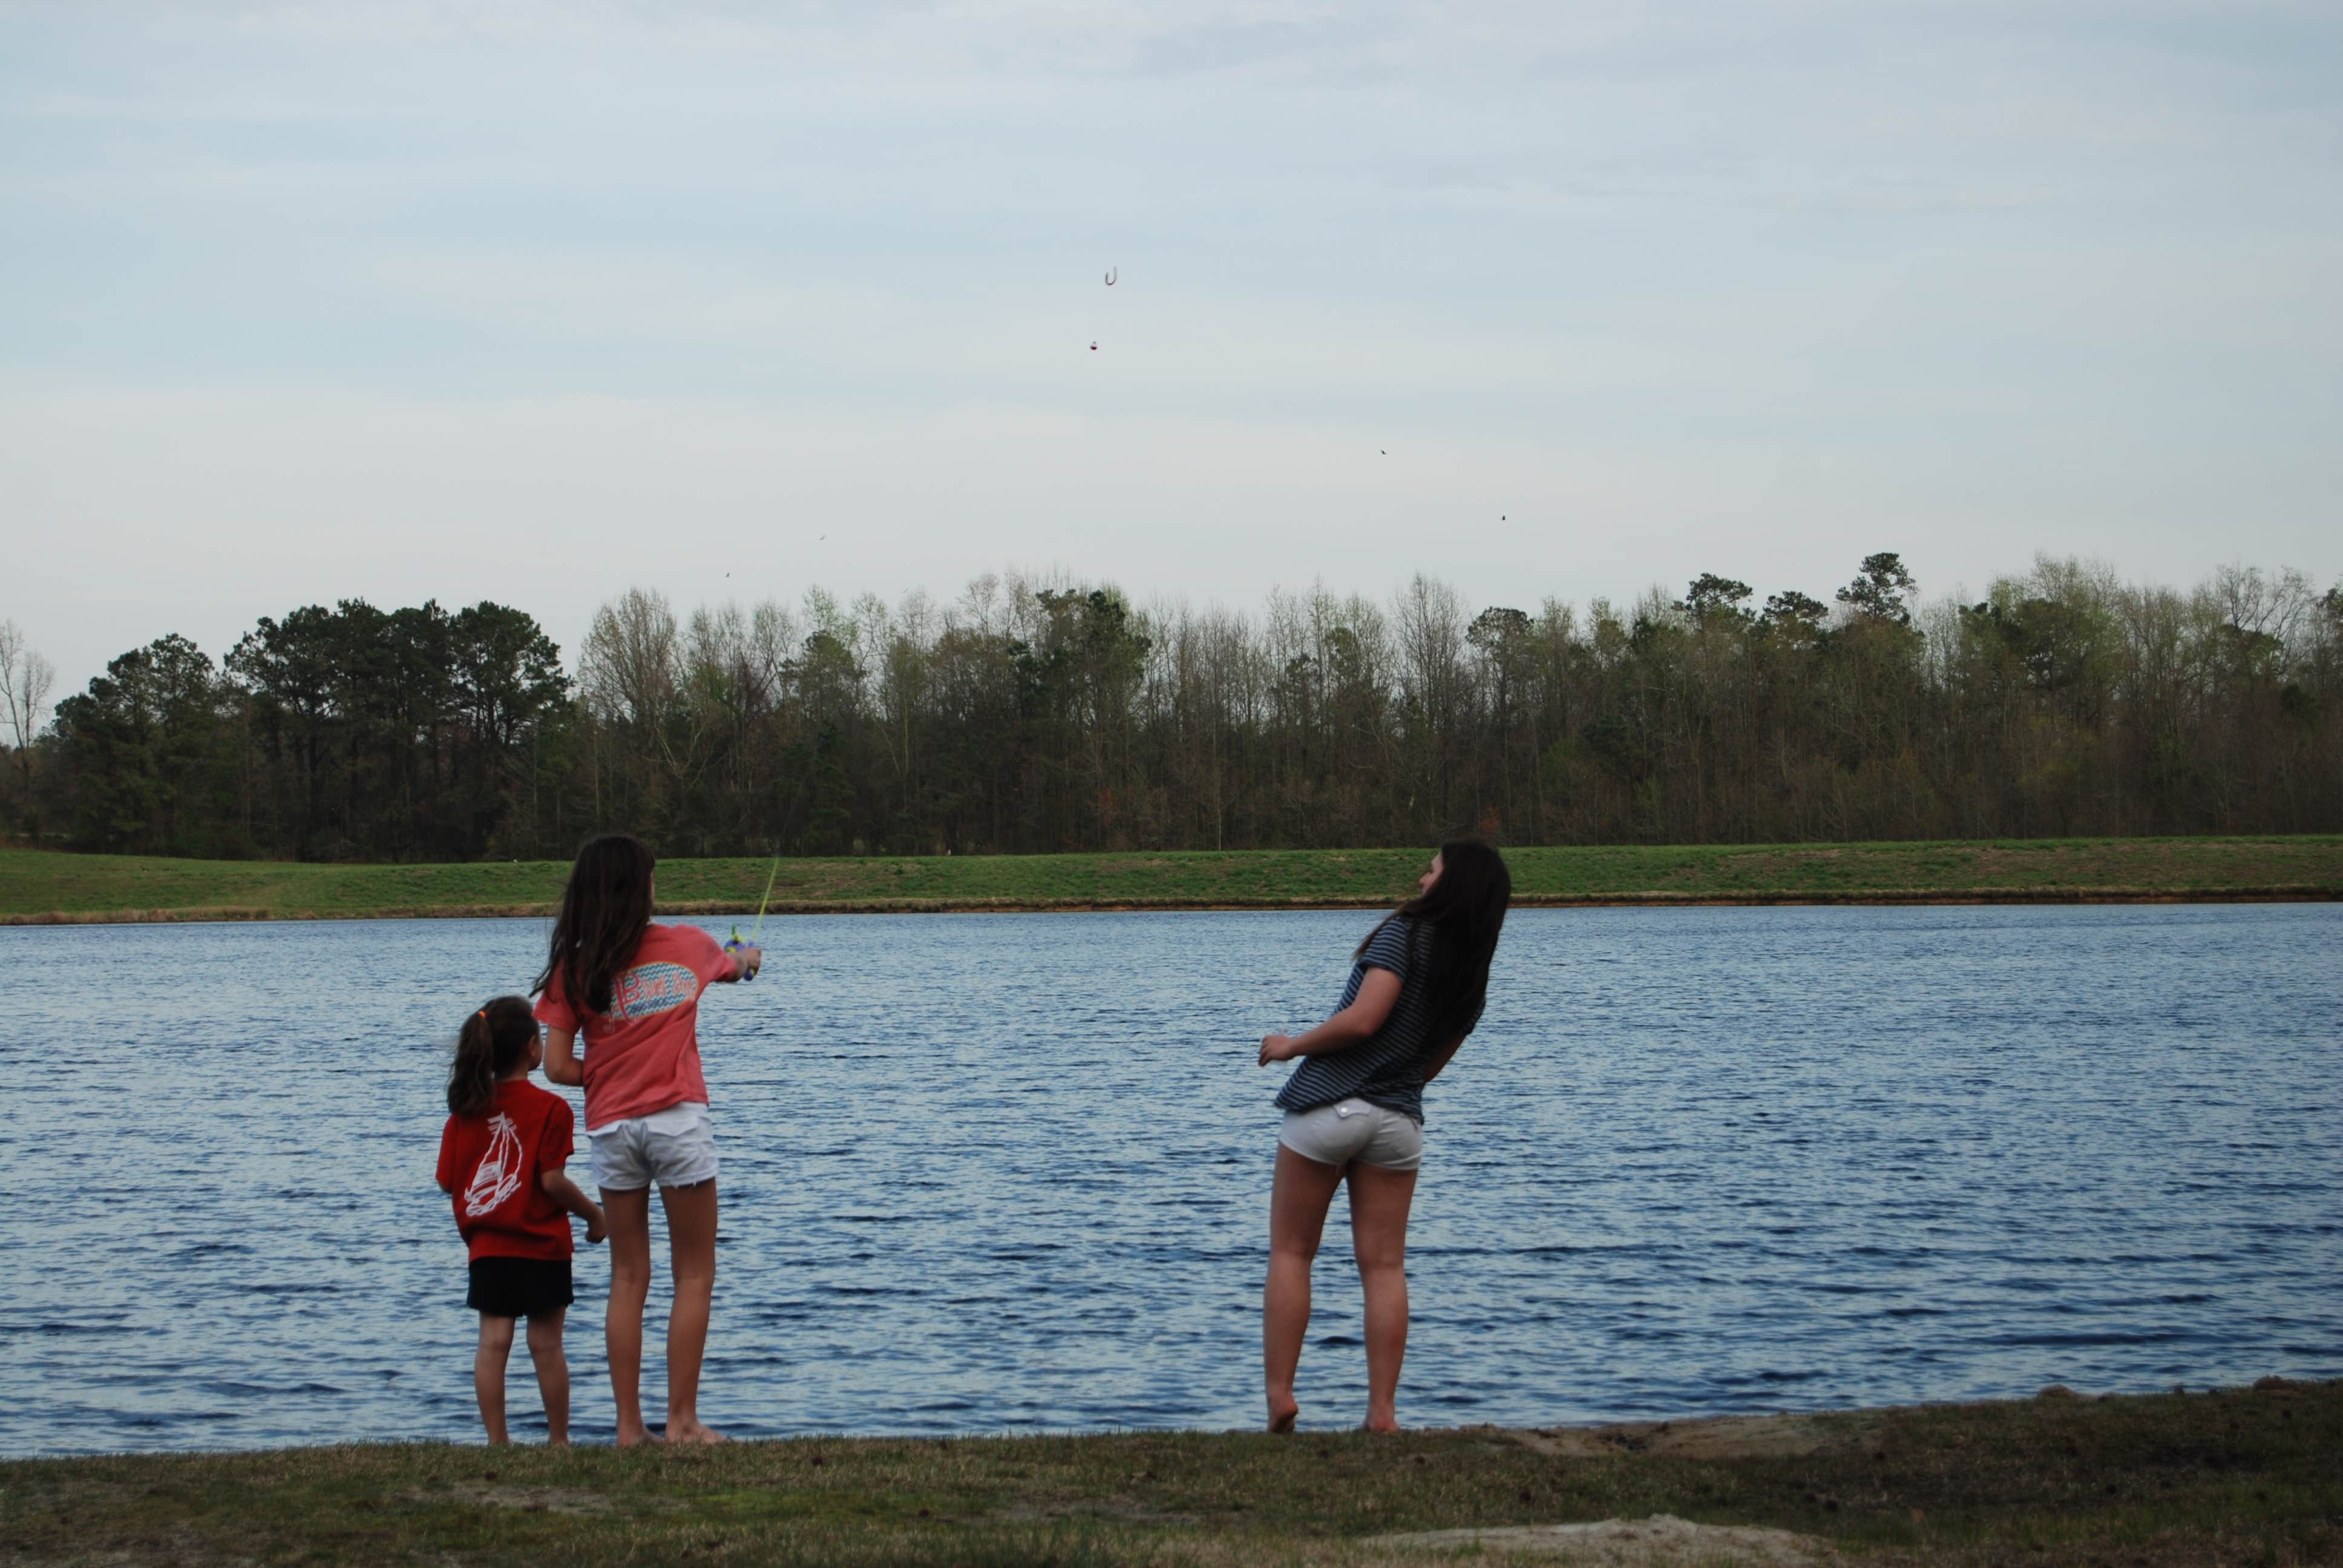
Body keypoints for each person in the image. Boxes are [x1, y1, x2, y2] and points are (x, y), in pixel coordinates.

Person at [1256, 837, 1512, 1432]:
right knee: (1383, 1267)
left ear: (1451, 885)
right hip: (1397, 1124)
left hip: (1326, 1110)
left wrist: (1291, 1044)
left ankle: (1280, 1397)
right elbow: (1428, 1068)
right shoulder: (1472, 978)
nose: (1421, 880)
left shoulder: (1404, 934)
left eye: (1431, 871)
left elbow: (1365, 1018)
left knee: (1292, 1252)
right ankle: (1382, 1413)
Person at [534, 834, 760, 1446]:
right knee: (694, 1275)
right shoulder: (690, 945)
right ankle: (682, 1422)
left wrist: (609, 1073)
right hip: (678, 1123)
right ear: (641, 888)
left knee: (628, 1277)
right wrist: (746, 953)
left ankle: (630, 1429)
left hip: (611, 1129)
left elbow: (555, 1068)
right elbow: (739, 966)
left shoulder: (572, 967)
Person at [436, 995, 608, 1446]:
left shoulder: (465, 1111)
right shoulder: (552, 1110)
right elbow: (552, 1181)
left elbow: (447, 1183)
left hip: (489, 1250)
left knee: (493, 1343)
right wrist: (594, 1215)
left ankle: (498, 1442)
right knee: (547, 1345)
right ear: (534, 1049)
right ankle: (558, 1442)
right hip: (543, 1247)